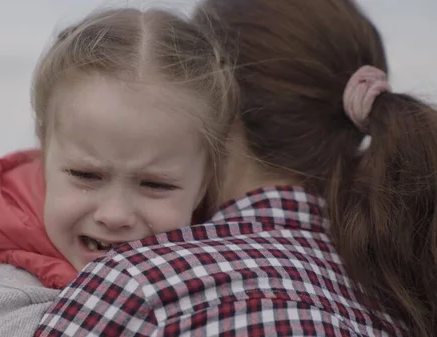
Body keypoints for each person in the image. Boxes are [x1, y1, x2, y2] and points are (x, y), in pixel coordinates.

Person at [35, 0, 437, 336]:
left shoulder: (137, 289)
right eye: (87, 175)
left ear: (218, 120)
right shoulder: (399, 304)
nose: (115, 213)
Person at [0, 7, 237, 337]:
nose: (114, 214)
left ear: (204, 182)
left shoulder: (230, 269)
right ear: (44, 151)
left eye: (154, 184)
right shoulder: (4, 305)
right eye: (86, 176)